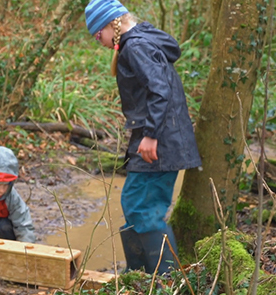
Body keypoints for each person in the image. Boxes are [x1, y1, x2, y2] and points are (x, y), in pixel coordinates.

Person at [85, 0, 202, 274]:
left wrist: (150, 135)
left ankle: (165, 282)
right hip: (160, 138)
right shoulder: (141, 41)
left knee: (143, 208)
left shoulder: (136, 46)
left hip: (160, 142)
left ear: (109, 25)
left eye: (96, 33)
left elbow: (159, 90)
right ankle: (138, 278)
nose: (96, 39)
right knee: (134, 202)